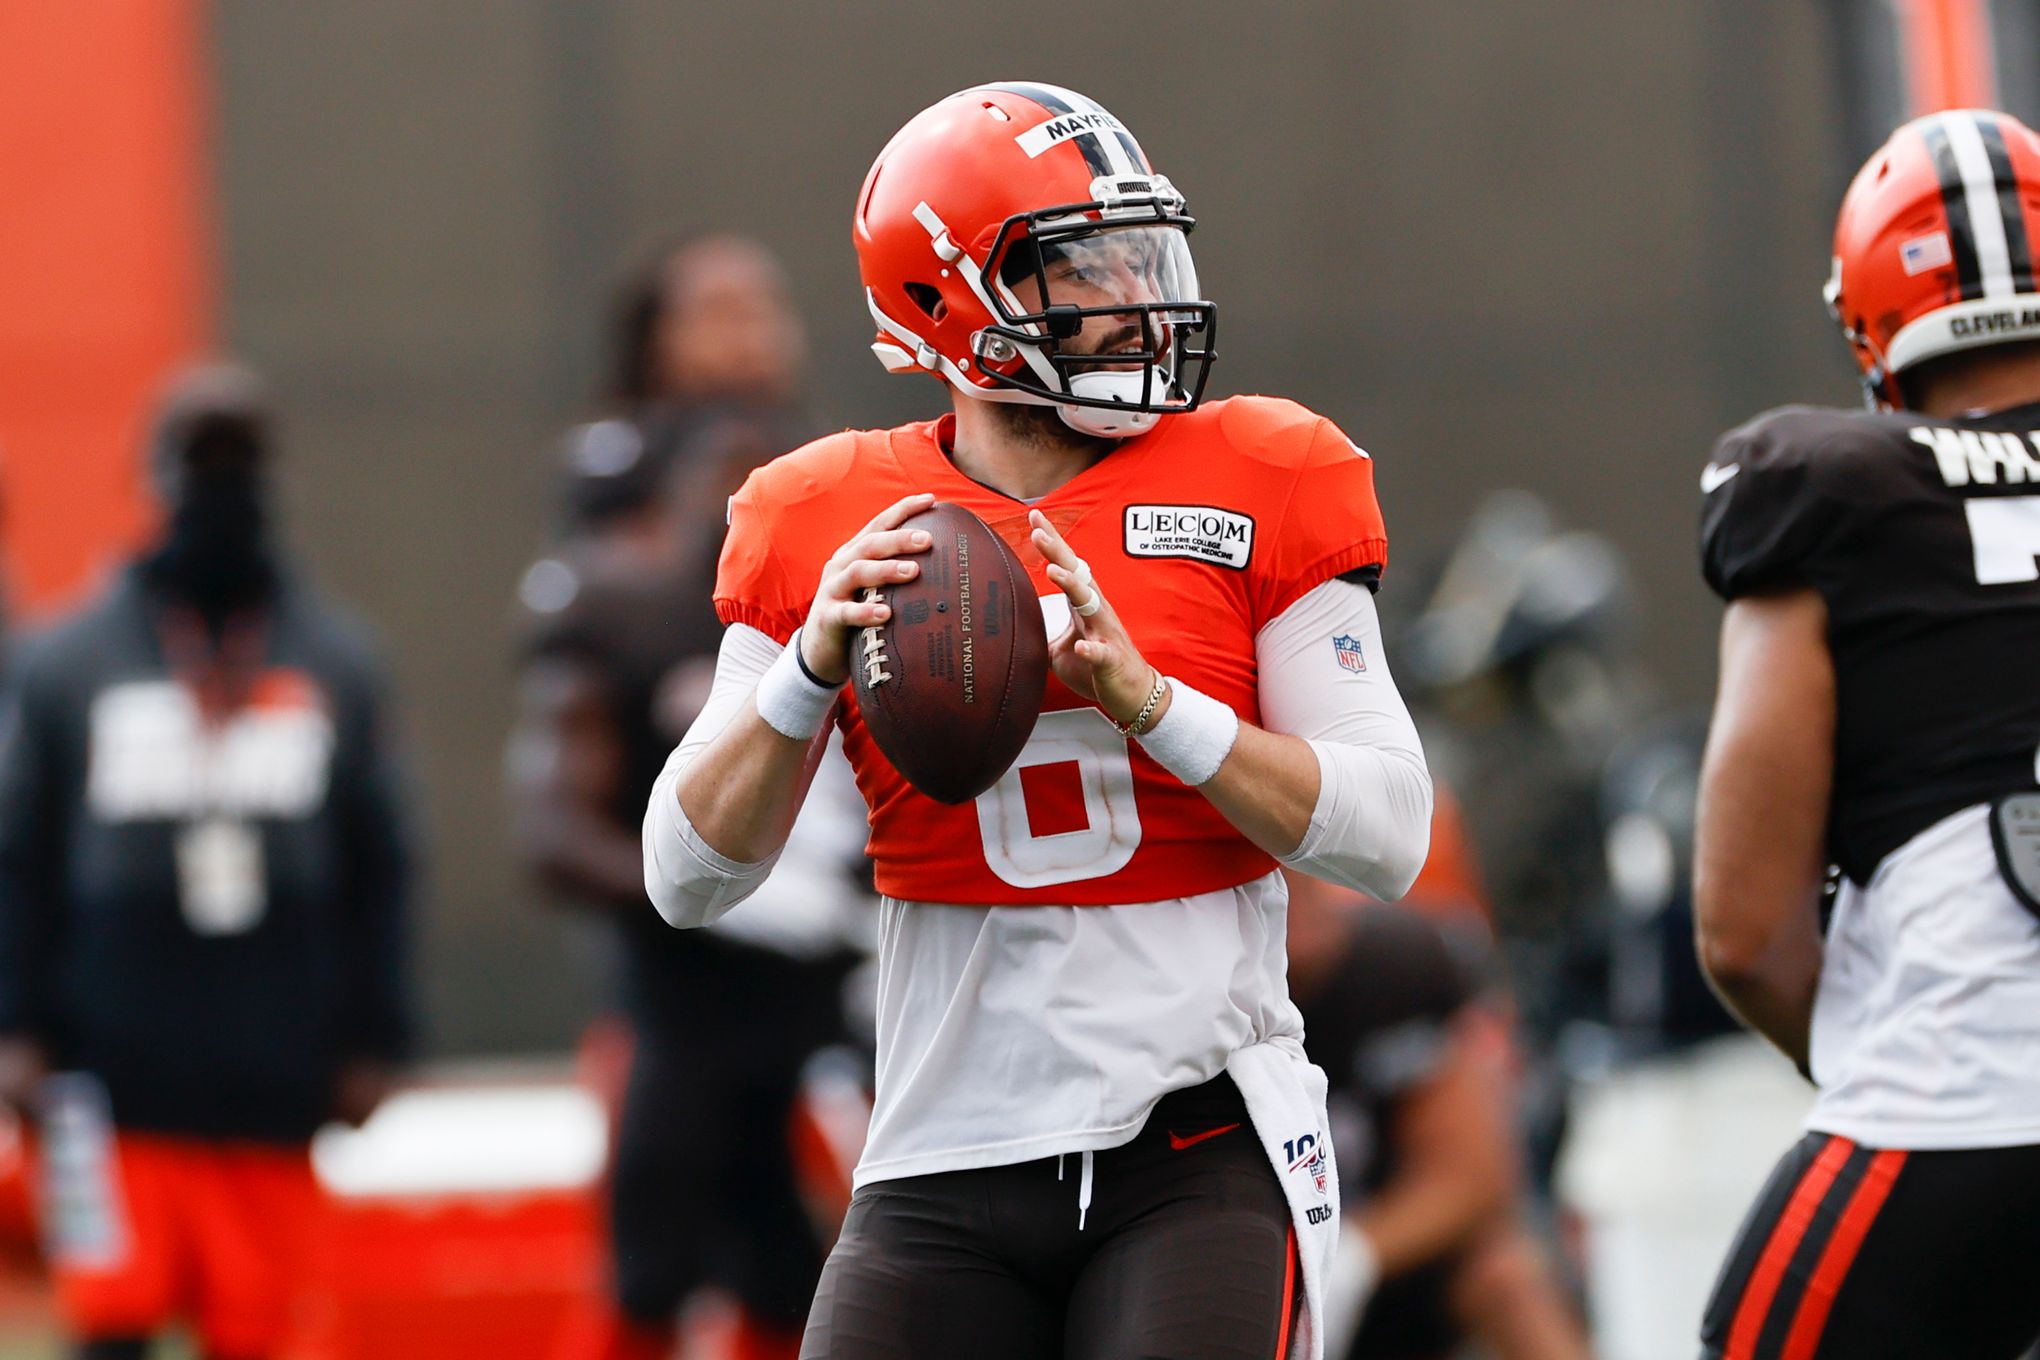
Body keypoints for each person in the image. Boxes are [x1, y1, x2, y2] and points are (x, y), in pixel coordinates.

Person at [642, 83, 1433, 1360]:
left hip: (1198, 1135)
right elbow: (684, 879)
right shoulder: (827, 516)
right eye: (1086, 268)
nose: (1135, 296)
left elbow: (1388, 833)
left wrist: (1155, 707)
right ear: (952, 305)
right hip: (943, 1150)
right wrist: (803, 674)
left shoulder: (1264, 471)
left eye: (1141, 254)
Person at [1694, 109, 2040, 1359]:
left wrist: (1865, 1049)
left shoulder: (1823, 485)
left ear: (1871, 320)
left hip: (1963, 1095)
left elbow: (1745, 929)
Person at [0, 361, 415, 1360]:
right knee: (112, 1329)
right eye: (199, 458)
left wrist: (378, 1037)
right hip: (103, 1081)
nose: (219, 488)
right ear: (153, 474)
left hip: (275, 1072)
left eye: (239, 460)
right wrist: (13, 1024)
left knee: (260, 1333)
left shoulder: (333, 659)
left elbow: (383, 863)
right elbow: (19, 855)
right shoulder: (69, 660)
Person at [511, 410, 871, 1360]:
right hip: (678, 1000)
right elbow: (552, 831)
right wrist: (699, 891)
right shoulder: (625, 621)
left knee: (810, 1268)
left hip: (828, 1005)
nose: (747, 509)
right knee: (650, 1265)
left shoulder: (879, 605)